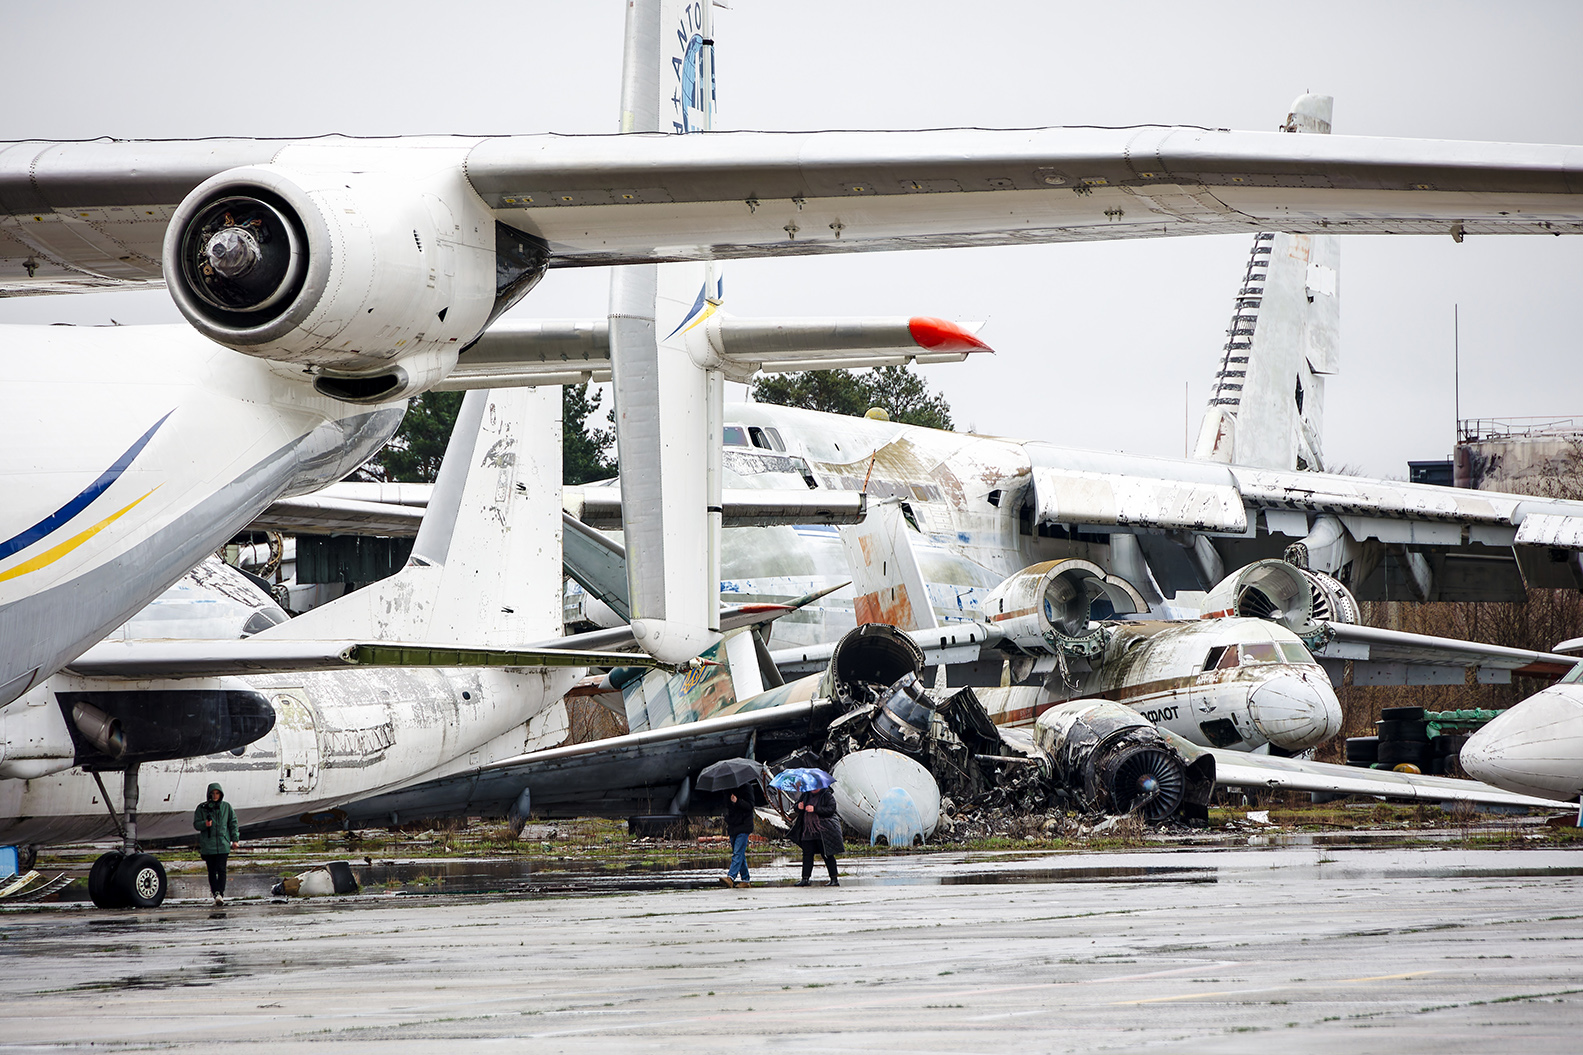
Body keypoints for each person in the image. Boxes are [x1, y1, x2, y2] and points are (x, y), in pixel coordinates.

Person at [193, 782, 240, 905]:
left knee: (222, 870)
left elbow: (233, 823)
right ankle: (216, 893)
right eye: (213, 793)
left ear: (221, 794)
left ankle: (221, 894)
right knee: (212, 871)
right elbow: (196, 824)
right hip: (209, 845)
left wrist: (235, 840)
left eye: (217, 793)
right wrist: (205, 824)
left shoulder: (226, 807)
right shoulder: (202, 808)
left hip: (223, 844)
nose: (215, 796)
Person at [788, 785, 843, 886]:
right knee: (807, 855)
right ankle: (805, 879)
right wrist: (798, 807)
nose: (813, 788)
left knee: (827, 855)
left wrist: (815, 809)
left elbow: (831, 809)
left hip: (823, 831)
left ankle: (834, 879)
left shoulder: (827, 795)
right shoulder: (805, 795)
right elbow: (796, 808)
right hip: (807, 830)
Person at [721, 785, 755, 888]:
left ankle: (731, 877)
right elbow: (727, 806)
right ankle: (745, 879)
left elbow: (750, 806)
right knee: (740, 854)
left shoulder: (747, 787)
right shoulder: (727, 790)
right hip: (733, 826)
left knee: (737, 853)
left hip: (744, 826)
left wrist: (738, 801)